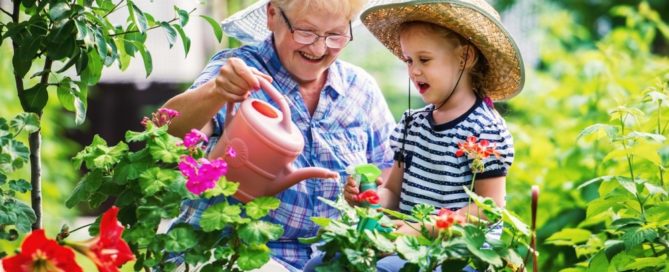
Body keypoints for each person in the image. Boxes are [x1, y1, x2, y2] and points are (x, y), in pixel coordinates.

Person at [161, 0, 396, 270]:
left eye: (335, 35)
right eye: (306, 32)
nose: (319, 48)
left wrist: (368, 193)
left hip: (330, 259)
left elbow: (387, 173)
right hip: (233, 254)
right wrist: (216, 91)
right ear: (272, 15)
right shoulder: (240, 71)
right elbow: (167, 132)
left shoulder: (360, 88)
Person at [304, 0, 524, 271]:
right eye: (409, 60)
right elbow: (394, 193)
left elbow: (487, 210)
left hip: (459, 251)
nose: (414, 70)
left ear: (465, 57)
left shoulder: (485, 130)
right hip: (406, 243)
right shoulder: (413, 124)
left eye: (425, 60)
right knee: (320, 264)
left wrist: (428, 227)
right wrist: (369, 196)